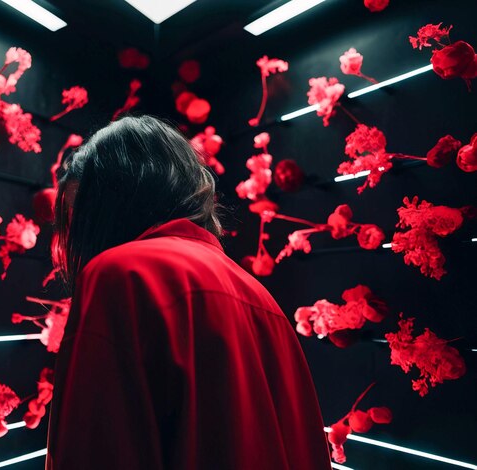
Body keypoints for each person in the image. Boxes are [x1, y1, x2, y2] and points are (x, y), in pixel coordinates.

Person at [45, 115, 331, 469]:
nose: (75, 235)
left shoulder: (121, 275)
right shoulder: (260, 297)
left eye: (79, 216)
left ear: (107, 205)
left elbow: (93, 452)